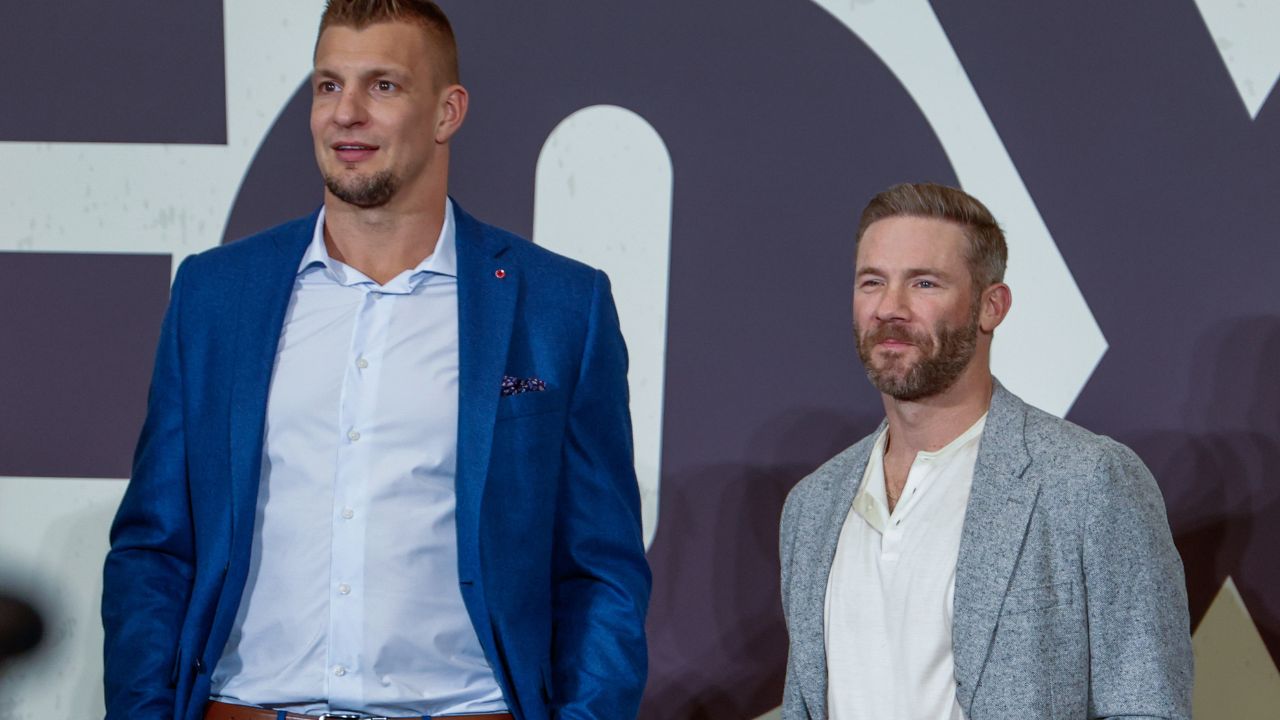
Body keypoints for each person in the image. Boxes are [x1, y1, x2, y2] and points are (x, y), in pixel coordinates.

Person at [102, 2, 651, 719]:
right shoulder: (216, 294)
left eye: (383, 86)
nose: (346, 113)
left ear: (447, 112)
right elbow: (154, 549)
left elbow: (600, 572)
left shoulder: (559, 307)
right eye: (328, 86)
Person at [778, 183, 1192, 719]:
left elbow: (1147, 706)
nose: (889, 308)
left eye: (924, 283)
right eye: (872, 282)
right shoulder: (811, 509)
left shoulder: (1087, 482)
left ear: (990, 306)